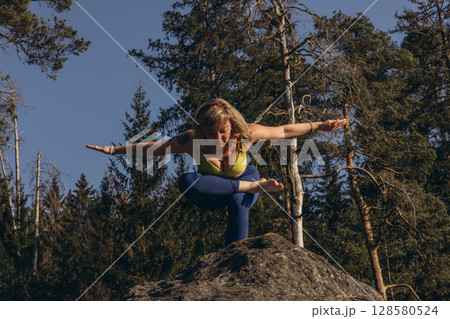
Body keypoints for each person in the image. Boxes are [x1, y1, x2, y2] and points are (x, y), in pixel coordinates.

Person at [86, 98, 346, 245]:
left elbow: (285, 130)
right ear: (201, 131)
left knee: (237, 202)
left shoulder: (248, 133)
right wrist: (113, 150)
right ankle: (250, 188)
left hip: (244, 179)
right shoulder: (191, 140)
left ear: (232, 125)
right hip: (212, 192)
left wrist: (319, 125)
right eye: (212, 134)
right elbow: (154, 148)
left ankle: (234, 252)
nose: (220, 137)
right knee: (187, 180)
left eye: (224, 131)